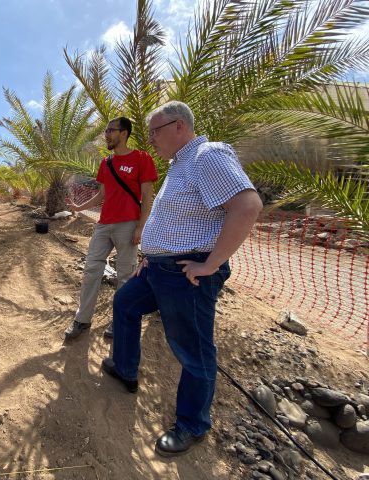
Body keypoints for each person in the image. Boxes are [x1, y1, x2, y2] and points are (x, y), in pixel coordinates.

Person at [101, 101, 262, 456]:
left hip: (187, 274)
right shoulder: (180, 165)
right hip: (158, 269)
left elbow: (247, 206)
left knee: (193, 351)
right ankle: (125, 369)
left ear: (179, 126)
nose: (151, 139)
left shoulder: (207, 155)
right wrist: (150, 256)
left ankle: (192, 424)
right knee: (125, 304)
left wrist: (210, 265)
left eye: (154, 131)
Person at [65, 117, 158, 339]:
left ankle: (119, 321)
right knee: (91, 270)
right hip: (104, 224)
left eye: (110, 130)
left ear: (124, 133)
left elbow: (147, 196)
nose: (106, 134)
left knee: (125, 275)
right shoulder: (106, 163)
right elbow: (102, 194)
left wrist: (141, 227)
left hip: (128, 225)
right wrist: (79, 207)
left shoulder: (142, 159)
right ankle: (82, 319)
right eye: (106, 130)